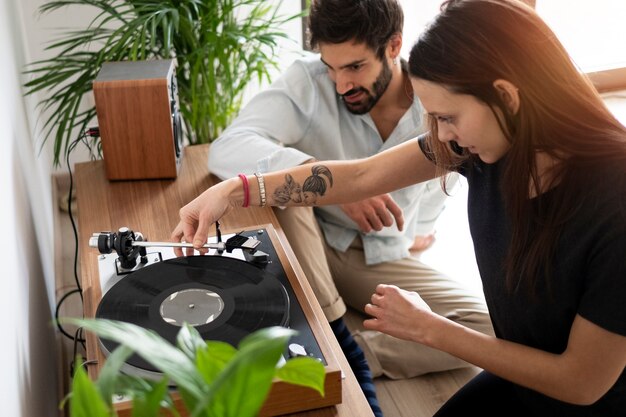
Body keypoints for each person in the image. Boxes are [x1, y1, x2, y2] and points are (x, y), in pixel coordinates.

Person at [173, 0, 626, 415]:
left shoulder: (615, 197)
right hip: (519, 383)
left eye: (448, 117)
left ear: (507, 97)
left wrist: (430, 328)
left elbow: (582, 382)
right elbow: (362, 176)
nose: (441, 135)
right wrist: (236, 190)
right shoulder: (483, 145)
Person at [206, 0, 492, 390]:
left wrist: (415, 235)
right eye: (331, 67)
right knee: (287, 189)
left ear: (393, 46)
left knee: (489, 328)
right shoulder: (307, 82)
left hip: (375, 257)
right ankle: (331, 331)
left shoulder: (440, 107)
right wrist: (328, 183)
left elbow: (436, 195)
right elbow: (226, 147)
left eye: (355, 67)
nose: (341, 85)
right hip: (308, 239)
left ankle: (343, 354)